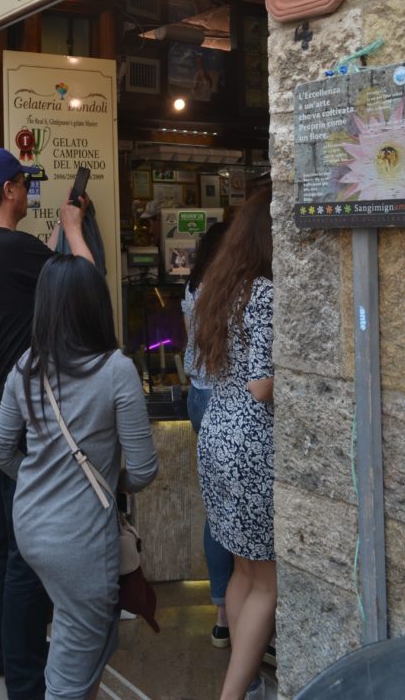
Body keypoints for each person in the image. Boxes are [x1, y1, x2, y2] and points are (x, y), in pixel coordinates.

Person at [0, 254, 158, 700]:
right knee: (69, 672)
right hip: (80, 540)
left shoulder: (25, 366)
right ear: (96, 306)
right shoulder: (116, 370)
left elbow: (0, 449)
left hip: (31, 527)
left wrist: (37, 478)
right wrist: (108, 481)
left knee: (92, 635)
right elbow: (143, 469)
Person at [0, 147, 94, 700]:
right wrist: (73, 226)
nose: (27, 192)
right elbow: (83, 283)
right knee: (21, 543)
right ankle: (23, 671)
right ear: (11, 190)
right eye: (24, 183)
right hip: (26, 408)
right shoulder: (16, 250)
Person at [195, 188, 275, 700]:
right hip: (251, 446)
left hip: (216, 436)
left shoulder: (221, 287)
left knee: (245, 570)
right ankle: (233, 695)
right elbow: (262, 385)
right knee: (268, 582)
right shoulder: (264, 291)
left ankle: (238, 690)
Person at [182, 220, 234, 648]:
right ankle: (240, 609)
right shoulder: (233, 291)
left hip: (197, 396)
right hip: (225, 399)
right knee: (232, 509)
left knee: (215, 507)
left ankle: (222, 612)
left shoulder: (191, 287)